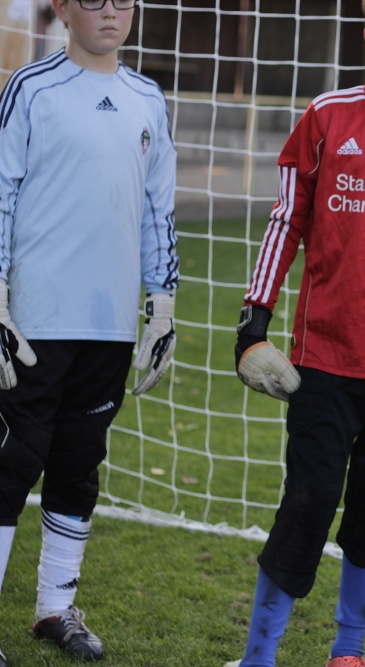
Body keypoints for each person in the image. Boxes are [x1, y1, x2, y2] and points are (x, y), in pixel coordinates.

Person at [226, 1, 365, 666]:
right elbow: (284, 220)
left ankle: (348, 651)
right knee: (310, 499)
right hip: (325, 357)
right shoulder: (328, 116)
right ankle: (258, 654)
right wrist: (253, 322)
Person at [0, 0, 179, 664]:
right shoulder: (32, 88)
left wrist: (162, 304)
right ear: (64, 8)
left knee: (79, 464)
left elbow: (158, 205)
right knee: (12, 462)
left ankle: (55, 607)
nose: (110, 12)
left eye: (123, 0)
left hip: (107, 324)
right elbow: (0, 189)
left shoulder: (146, 98)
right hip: (36, 318)